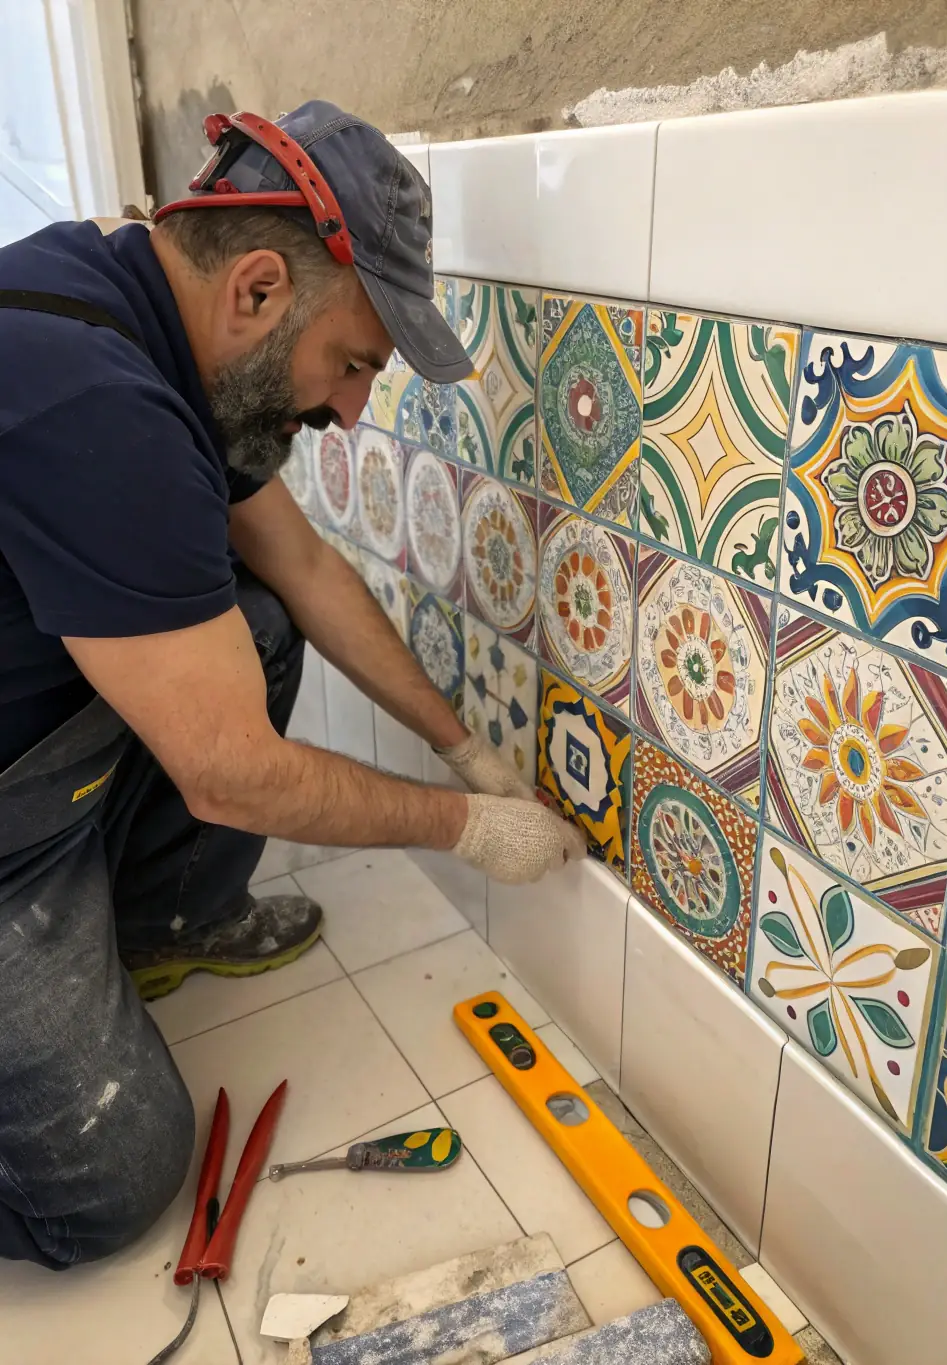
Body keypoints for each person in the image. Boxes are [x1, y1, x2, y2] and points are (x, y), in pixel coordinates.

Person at [0, 100, 585, 1269]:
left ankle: (154, 925)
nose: (350, 410)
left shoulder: (130, 313)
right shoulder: (100, 412)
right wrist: (469, 827)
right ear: (259, 289)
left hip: (38, 755)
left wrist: (461, 744)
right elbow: (228, 775)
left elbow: (306, 569)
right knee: (112, 1186)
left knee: (258, 624)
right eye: (355, 362)